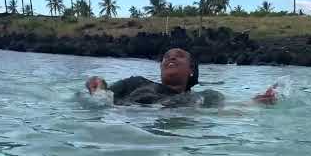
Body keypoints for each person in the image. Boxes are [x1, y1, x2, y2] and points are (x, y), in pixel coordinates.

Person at [86, 48, 277, 107]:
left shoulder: (206, 96)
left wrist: (256, 102)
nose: (171, 57)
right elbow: (102, 92)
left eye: (179, 56)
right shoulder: (135, 82)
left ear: (191, 70)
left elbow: (232, 110)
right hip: (126, 125)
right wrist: (96, 82)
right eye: (166, 57)